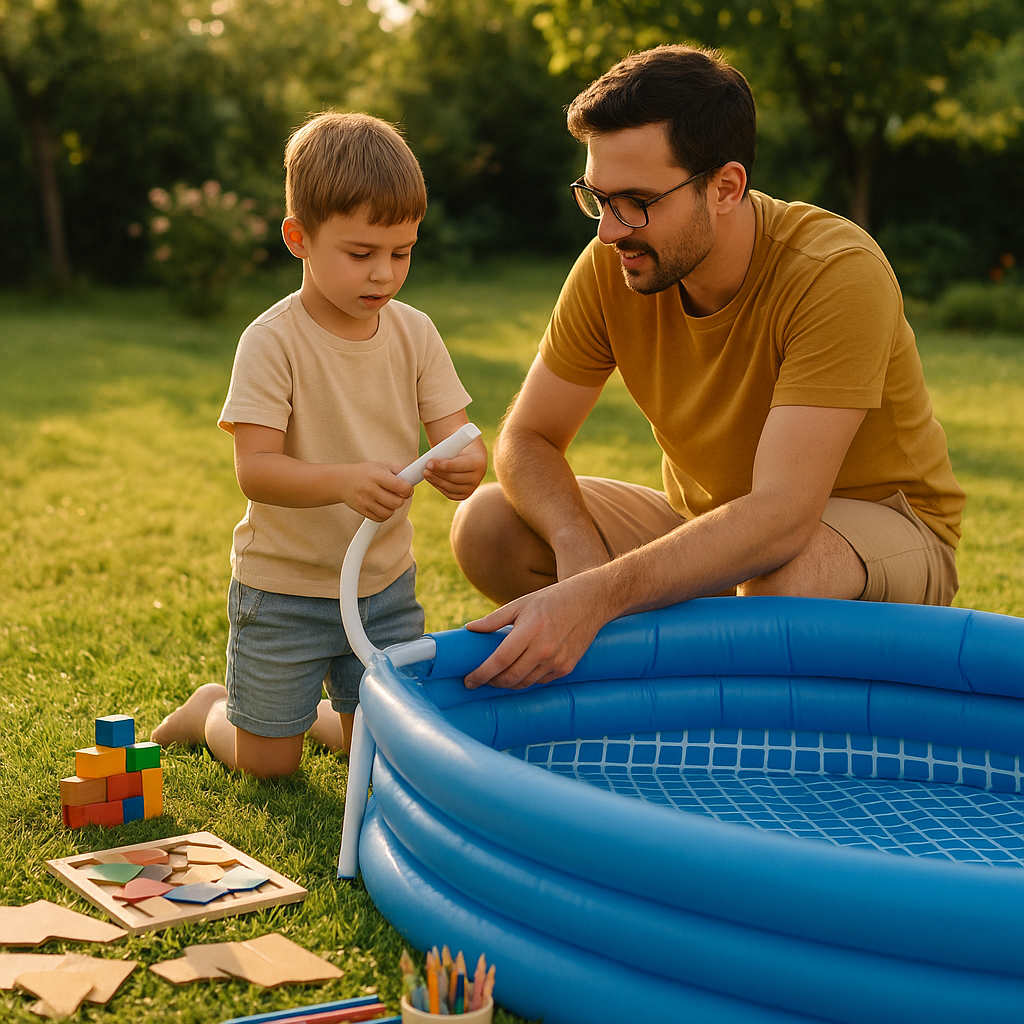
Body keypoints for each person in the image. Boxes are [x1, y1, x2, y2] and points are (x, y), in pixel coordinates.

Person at [450, 43, 963, 692]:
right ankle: (697, 676)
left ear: (725, 188)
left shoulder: (834, 271)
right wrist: (576, 549)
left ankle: (700, 689)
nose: (609, 232)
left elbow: (782, 515)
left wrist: (599, 595)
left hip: (879, 528)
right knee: (489, 526)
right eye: (596, 198)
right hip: (720, 528)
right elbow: (527, 439)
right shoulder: (613, 264)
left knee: (784, 575)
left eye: (634, 201)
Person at [151, 111, 487, 777]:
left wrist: (465, 468)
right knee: (267, 767)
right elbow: (258, 471)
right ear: (298, 238)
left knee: (388, 748)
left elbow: (462, 441)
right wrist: (341, 481)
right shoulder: (272, 341)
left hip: (383, 584)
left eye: (402, 252)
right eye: (361, 254)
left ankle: (313, 715)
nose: (384, 275)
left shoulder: (415, 333)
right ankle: (212, 710)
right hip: (285, 589)